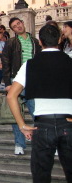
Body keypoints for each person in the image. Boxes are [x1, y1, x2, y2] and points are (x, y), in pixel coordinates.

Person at [7, 24, 72, 183]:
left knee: (41, 177)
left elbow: (11, 96)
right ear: (59, 39)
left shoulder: (29, 65)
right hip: (69, 124)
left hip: (42, 126)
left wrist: (22, 125)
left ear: (40, 42)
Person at [1, 17, 41, 155]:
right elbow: (6, 63)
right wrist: (7, 83)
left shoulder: (35, 41)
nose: (18, 26)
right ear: (13, 30)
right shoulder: (11, 42)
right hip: (16, 79)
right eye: (14, 26)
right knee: (15, 113)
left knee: (37, 112)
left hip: (33, 80)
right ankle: (19, 143)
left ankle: (40, 141)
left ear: (23, 23)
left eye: (18, 23)